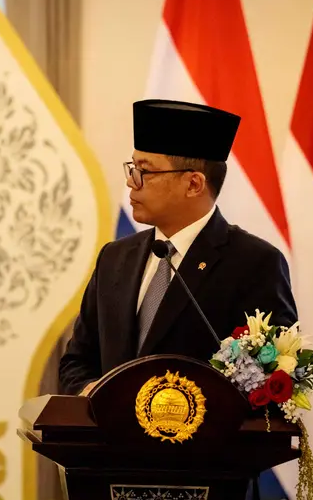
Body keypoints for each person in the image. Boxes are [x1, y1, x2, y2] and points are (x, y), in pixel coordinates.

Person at [58, 99, 297, 396]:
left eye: (144, 171)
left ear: (194, 184)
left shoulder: (255, 264)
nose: (132, 183)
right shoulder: (114, 257)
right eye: (132, 168)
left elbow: (271, 380)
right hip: (110, 440)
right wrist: (92, 392)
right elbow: (76, 361)